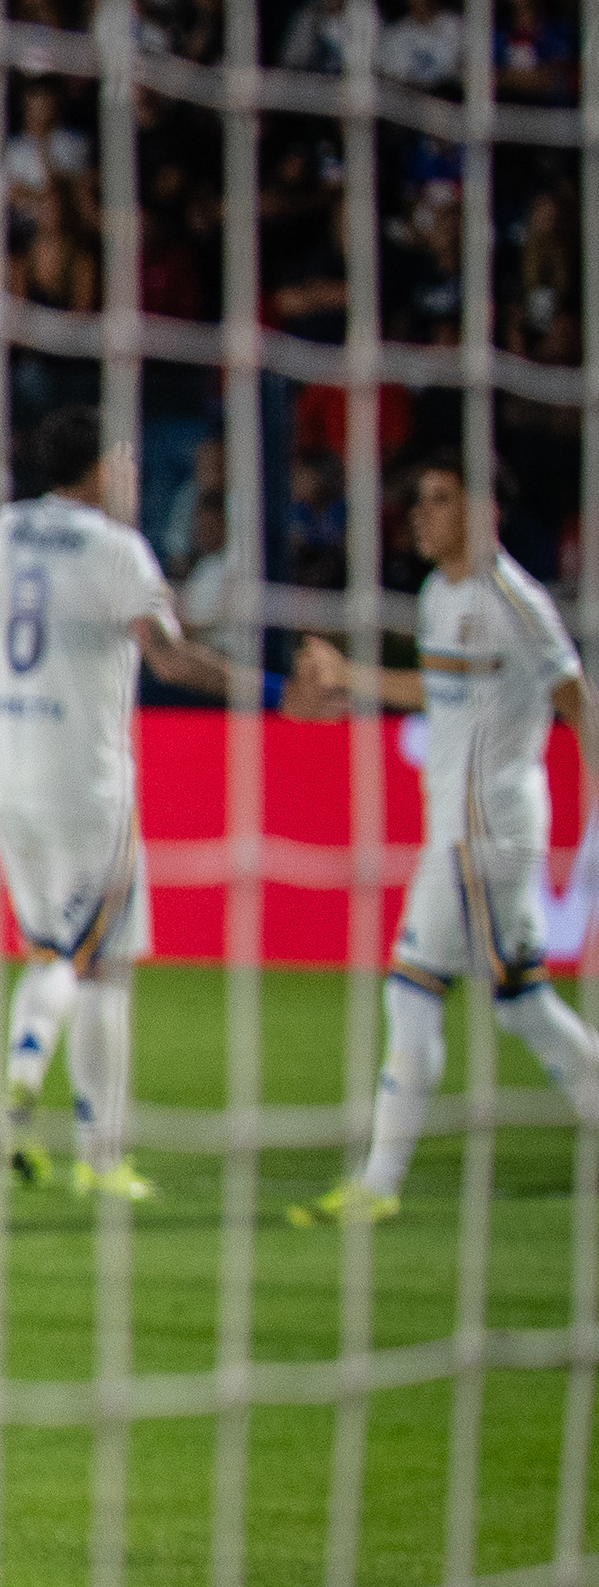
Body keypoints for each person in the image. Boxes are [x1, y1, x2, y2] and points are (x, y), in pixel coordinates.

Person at [0, 406, 268, 1198]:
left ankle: (24, 1092)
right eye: (121, 459)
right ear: (95, 468)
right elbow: (169, 659)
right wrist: (268, 690)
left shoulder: (3, 530)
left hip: (7, 780)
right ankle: (97, 1152)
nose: (129, 473)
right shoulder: (117, 550)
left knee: (55, 950)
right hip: (87, 785)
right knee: (101, 967)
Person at [284, 455, 599, 1225]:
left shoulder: (513, 599)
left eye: (439, 500)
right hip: (463, 827)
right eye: (418, 501)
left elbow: (576, 699)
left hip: (485, 828)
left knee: (412, 988)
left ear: (482, 511)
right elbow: (437, 687)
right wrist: (350, 677)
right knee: (522, 1004)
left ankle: (378, 1184)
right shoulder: (438, 593)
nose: (420, 514)